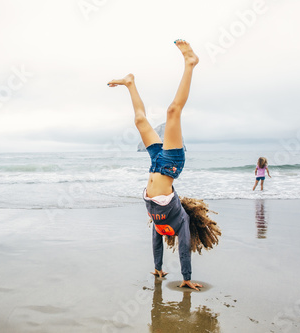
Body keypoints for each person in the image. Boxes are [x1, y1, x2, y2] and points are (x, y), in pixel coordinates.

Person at [108, 40, 220, 291]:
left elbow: (156, 245)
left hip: (155, 163)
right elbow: (183, 249)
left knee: (138, 120)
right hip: (171, 165)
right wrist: (186, 277)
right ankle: (191, 63)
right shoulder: (179, 220)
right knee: (172, 112)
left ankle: (130, 82)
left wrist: (158, 269)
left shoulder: (159, 225)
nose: (170, 237)